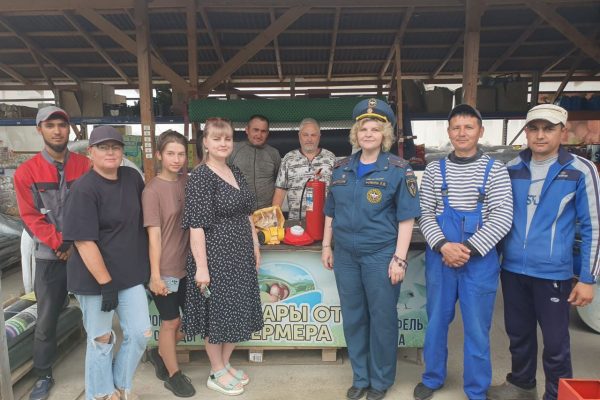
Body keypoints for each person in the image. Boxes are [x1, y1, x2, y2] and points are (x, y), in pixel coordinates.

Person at [487, 104, 600, 400]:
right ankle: (521, 385)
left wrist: (588, 279)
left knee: (555, 343)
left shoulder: (579, 170)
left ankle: (557, 394)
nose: (540, 135)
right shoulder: (511, 170)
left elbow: (594, 227)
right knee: (519, 336)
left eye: (548, 129)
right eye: (534, 128)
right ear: (526, 132)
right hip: (512, 270)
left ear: (563, 132)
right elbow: (496, 219)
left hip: (553, 272)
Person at [321, 98, 421, 400]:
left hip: (380, 255)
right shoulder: (340, 169)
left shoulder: (398, 170)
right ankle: (360, 377)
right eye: (363, 128)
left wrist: (399, 259)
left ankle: (380, 381)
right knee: (353, 317)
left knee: (382, 318)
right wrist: (327, 245)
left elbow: (407, 218)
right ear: (355, 133)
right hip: (347, 257)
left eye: (375, 129)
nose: (368, 133)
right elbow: (330, 211)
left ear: (384, 135)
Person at [413, 104, 513, 400]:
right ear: (449, 132)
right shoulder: (433, 169)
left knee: (477, 329)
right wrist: (444, 246)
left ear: (480, 132)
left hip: (478, 261)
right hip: (441, 257)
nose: (462, 133)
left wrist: (466, 249)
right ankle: (432, 378)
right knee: (436, 323)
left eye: (469, 127)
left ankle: (476, 389)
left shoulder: (496, 170)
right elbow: (425, 213)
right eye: (456, 127)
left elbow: (503, 216)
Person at [63, 126, 150, 400]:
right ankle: (102, 394)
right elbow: (83, 242)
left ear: (122, 151)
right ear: (91, 152)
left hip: (129, 274)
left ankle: (118, 386)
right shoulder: (83, 189)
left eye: (115, 146)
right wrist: (106, 283)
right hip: (94, 279)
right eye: (103, 147)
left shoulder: (132, 178)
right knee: (101, 340)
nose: (110, 151)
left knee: (140, 333)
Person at [13, 106, 90, 400]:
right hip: (50, 256)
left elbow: (92, 206)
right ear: (39, 130)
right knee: (46, 319)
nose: (57, 130)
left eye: (62, 124)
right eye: (50, 125)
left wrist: (72, 243)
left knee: (95, 312)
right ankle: (43, 374)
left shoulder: (84, 165)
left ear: (69, 128)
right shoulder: (27, 172)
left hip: (83, 251)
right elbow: (29, 216)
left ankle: (98, 362)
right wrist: (59, 243)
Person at [182, 118, 263, 396]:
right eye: (216, 138)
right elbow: (196, 226)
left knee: (237, 311)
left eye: (227, 138)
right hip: (215, 258)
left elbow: (247, 214)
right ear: (205, 142)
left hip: (239, 256)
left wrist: (254, 245)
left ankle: (225, 364)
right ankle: (216, 371)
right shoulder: (201, 176)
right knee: (217, 316)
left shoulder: (234, 171)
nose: (222, 143)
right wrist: (202, 267)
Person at [142, 130, 195, 397]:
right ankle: (174, 376)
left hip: (190, 266)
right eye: (171, 153)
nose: (177, 159)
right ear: (160, 155)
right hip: (166, 268)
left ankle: (159, 352)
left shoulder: (189, 181)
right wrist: (155, 276)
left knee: (195, 320)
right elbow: (153, 237)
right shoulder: (152, 190)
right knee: (171, 322)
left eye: (181, 154)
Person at [272, 117, 336, 220]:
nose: (309, 139)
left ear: (319, 136)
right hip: (296, 222)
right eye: (305, 135)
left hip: (325, 222)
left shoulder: (330, 158)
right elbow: (280, 191)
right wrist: (274, 220)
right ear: (299, 136)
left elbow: (337, 191)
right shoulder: (289, 158)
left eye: (313, 135)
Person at [229, 114, 281, 210]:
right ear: (247, 130)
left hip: (266, 213)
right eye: (255, 130)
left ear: (267, 133)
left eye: (263, 131)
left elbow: (278, 182)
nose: (259, 135)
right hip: (239, 213)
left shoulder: (274, 153)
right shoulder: (233, 150)